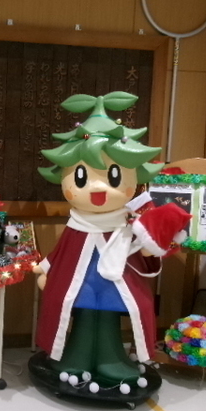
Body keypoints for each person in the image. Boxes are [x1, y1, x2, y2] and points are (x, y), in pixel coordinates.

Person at [34, 92, 190, 394]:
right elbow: (65, 250)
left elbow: (145, 251)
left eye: (114, 176)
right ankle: (76, 356)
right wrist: (46, 268)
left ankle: (111, 359)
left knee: (107, 320)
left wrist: (151, 245)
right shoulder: (77, 224)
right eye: (81, 177)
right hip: (80, 282)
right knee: (82, 318)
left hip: (115, 281)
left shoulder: (129, 223)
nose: (98, 189)